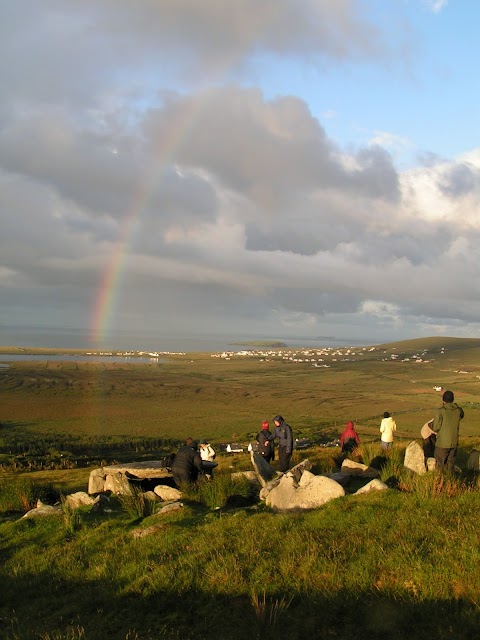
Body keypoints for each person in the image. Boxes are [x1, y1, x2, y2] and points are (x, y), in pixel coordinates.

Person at [434, 390, 464, 472]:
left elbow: (435, 427)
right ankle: (450, 480)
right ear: (453, 399)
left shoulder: (441, 411)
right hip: (454, 442)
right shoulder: (458, 411)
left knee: (440, 465)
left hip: (442, 443)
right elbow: (462, 415)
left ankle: (440, 482)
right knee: (450, 465)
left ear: (443, 400)